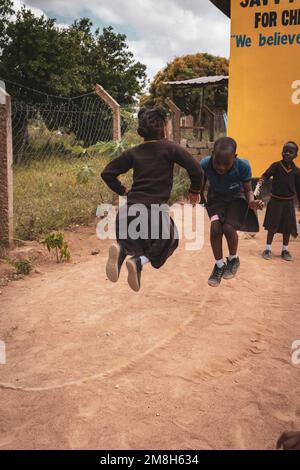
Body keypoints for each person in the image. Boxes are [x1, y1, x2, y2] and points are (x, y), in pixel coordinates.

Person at [101, 107, 203, 292]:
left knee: (132, 242)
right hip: (153, 211)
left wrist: (123, 190)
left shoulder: (134, 152)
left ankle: (122, 251)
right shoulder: (170, 148)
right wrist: (195, 191)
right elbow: (196, 170)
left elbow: (107, 173)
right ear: (164, 128)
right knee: (169, 239)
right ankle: (138, 262)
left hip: (128, 212)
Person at [200, 137, 264, 287]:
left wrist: (251, 202)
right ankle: (219, 266)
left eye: (226, 164)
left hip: (237, 198)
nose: (221, 167)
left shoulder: (242, 166)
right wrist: (199, 194)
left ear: (234, 157)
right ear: (212, 153)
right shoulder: (205, 164)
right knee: (215, 228)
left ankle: (234, 259)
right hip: (216, 199)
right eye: (217, 162)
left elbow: (248, 189)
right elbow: (201, 182)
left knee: (228, 228)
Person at [255, 141, 300, 261]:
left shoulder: (296, 171)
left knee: (287, 227)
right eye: (285, 151)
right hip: (275, 201)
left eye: (291, 152)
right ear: (281, 152)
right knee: (272, 226)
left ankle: (285, 250)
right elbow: (265, 175)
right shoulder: (276, 166)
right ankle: (268, 249)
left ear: (295, 155)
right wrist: (260, 183)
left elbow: (299, 189)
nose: (287, 153)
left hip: (288, 203)